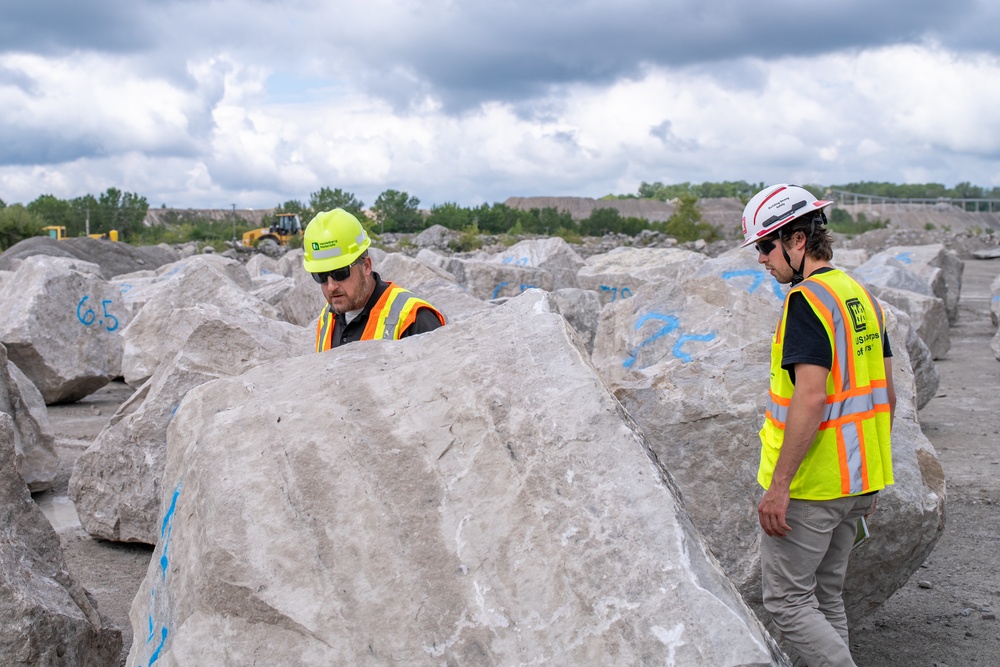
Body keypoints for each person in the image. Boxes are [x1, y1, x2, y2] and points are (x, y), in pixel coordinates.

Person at [742, 184, 895, 667]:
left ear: (797, 240)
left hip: (813, 486)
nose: (762, 259)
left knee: (788, 603)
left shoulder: (807, 300)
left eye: (766, 246)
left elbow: (811, 396)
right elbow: (887, 392)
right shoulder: (858, 295)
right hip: (859, 480)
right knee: (826, 599)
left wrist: (780, 487)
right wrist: (870, 476)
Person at [303, 208, 445, 351]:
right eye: (320, 276)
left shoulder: (414, 319)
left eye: (340, 273)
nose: (331, 287)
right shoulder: (327, 319)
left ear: (366, 266)